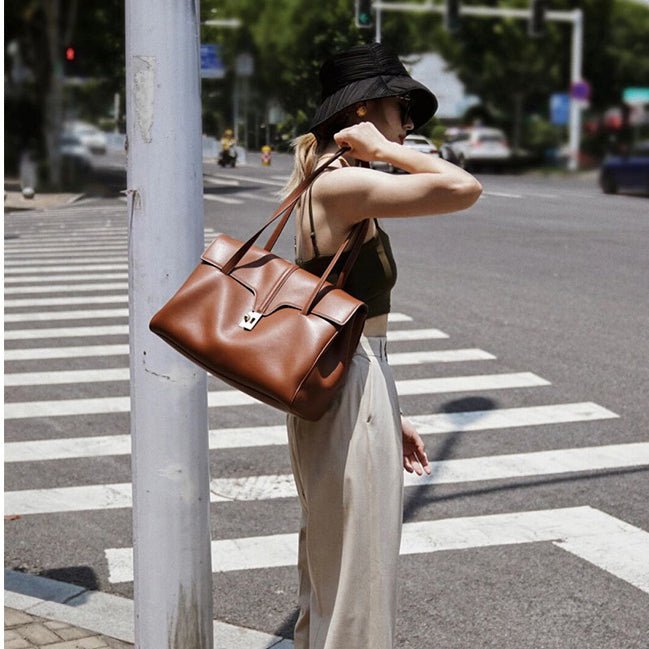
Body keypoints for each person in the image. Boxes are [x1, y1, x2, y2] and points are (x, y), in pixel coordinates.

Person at [283, 43, 482, 649]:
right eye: (402, 112)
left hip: (349, 382)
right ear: (367, 112)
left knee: (333, 562)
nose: (409, 127)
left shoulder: (327, 179)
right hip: (351, 386)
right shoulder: (343, 184)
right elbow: (464, 187)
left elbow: (352, 317)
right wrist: (385, 149)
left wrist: (391, 411)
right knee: (357, 576)